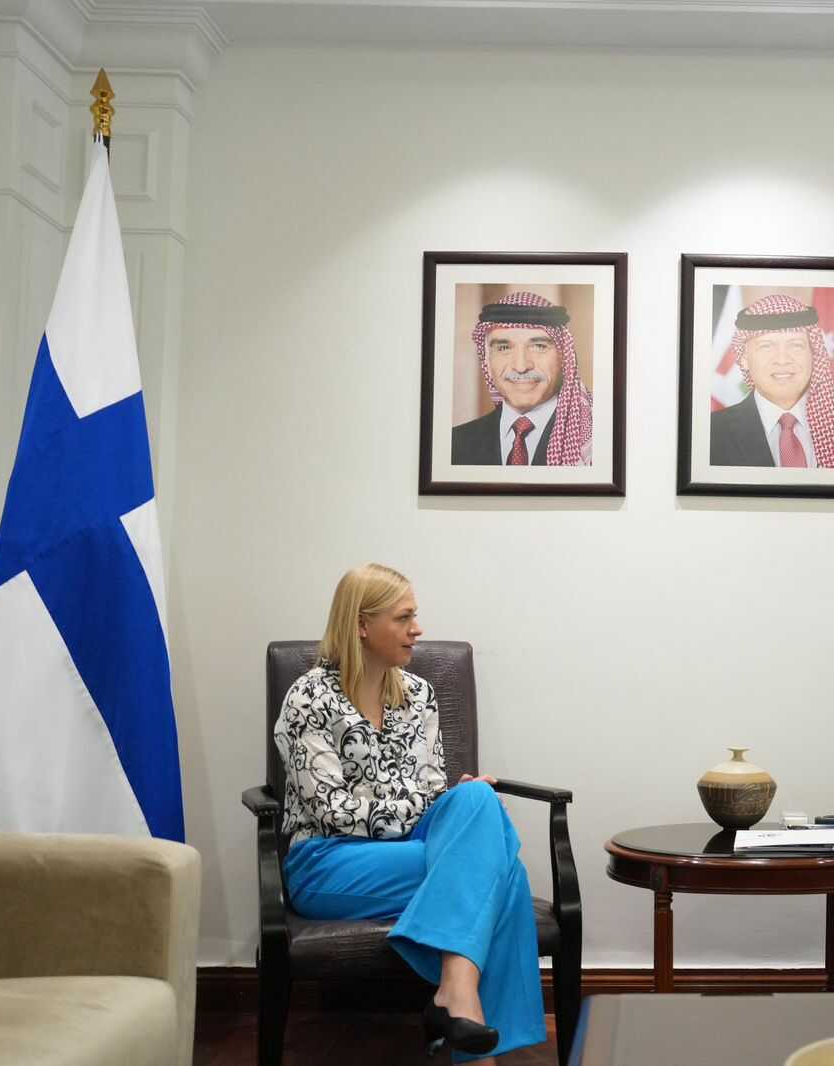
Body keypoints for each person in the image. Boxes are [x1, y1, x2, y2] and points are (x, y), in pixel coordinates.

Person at [275, 564, 544, 1061]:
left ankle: (457, 996)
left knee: (477, 800)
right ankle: (476, 1048)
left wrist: (452, 798)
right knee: (502, 871)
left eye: (414, 616)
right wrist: (432, 803)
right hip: (328, 861)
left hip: (412, 847)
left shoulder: (418, 695)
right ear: (361, 624)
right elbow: (334, 812)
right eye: (403, 618)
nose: (417, 629)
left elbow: (433, 790)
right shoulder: (308, 698)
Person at [451, 291, 593, 466]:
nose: (521, 366)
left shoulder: (594, 441)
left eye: (539, 346)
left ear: (564, 357)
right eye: (504, 348)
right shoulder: (455, 443)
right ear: (487, 360)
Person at [710, 293, 834, 468]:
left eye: (795, 345)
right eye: (766, 346)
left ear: (813, 354)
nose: (782, 360)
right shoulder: (711, 433)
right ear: (744, 358)